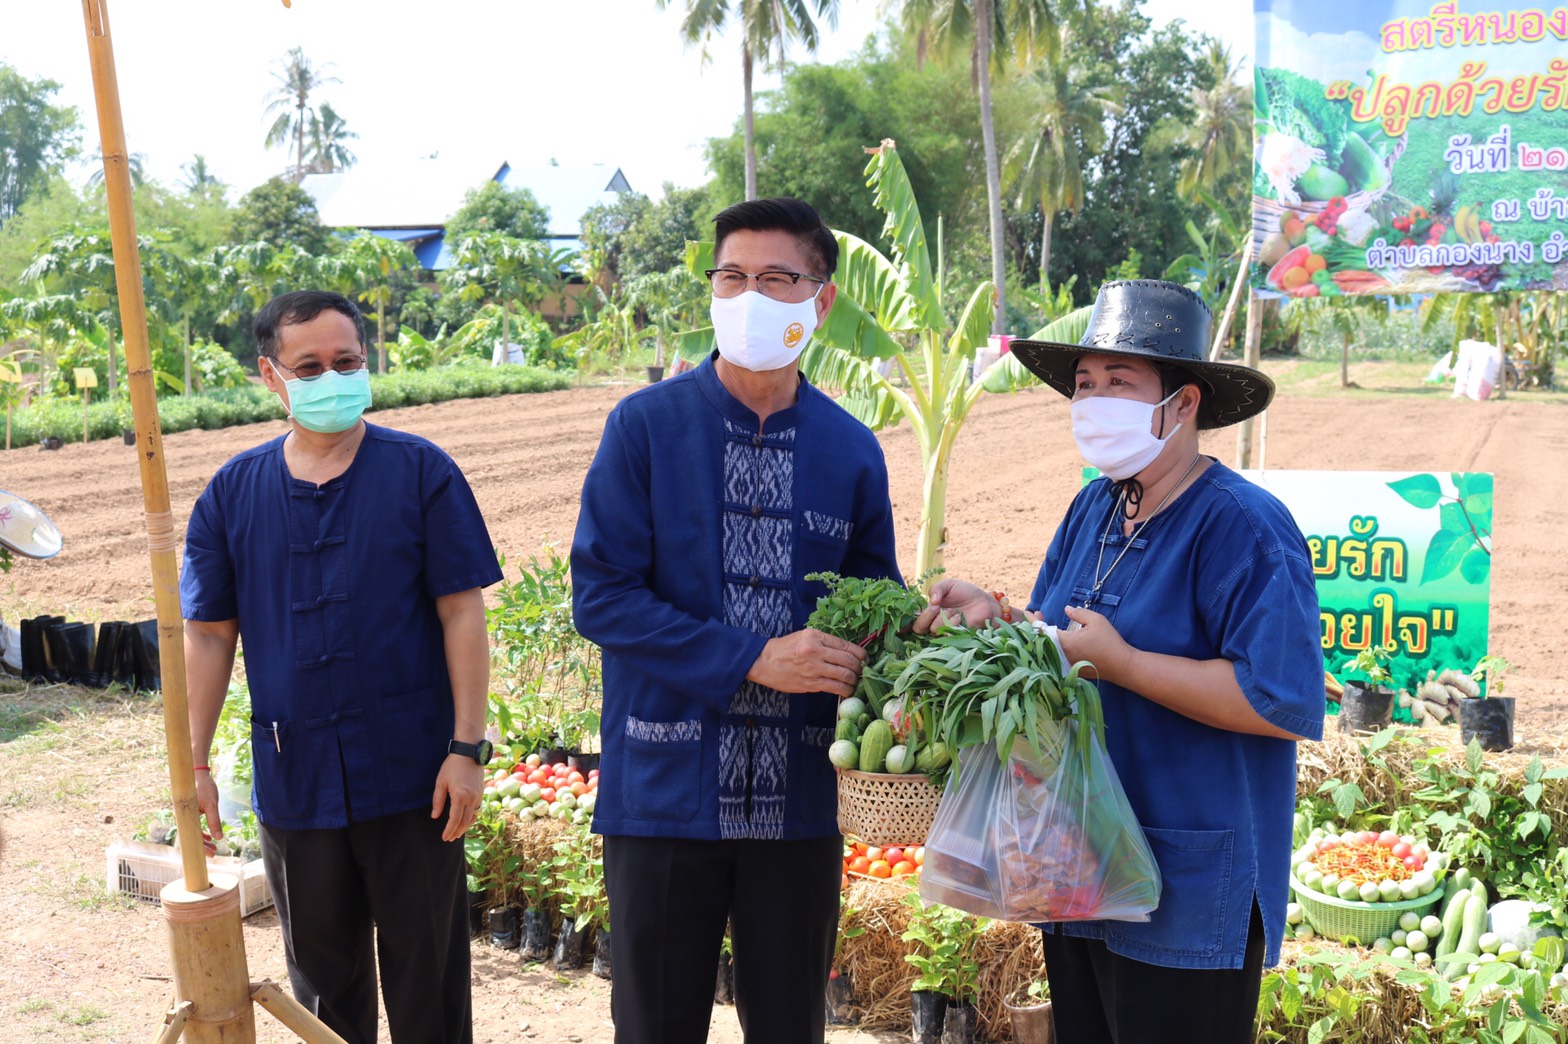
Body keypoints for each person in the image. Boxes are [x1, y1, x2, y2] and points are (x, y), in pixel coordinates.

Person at [914, 279, 1324, 1043]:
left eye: (1120, 383)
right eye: (1085, 384)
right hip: (1079, 869)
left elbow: (1278, 703)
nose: (1094, 400)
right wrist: (996, 615)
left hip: (1189, 889)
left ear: (1185, 402)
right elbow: (1055, 638)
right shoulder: (1094, 507)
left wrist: (1125, 664)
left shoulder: (1244, 528)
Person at [571, 197, 902, 1044]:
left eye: (776, 278)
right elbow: (603, 595)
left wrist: (923, 624)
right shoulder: (645, 428)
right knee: (655, 1025)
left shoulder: (850, 448)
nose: (749, 294)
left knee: (790, 1026)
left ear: (819, 302)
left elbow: (875, 606)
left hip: (796, 801)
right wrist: (751, 657)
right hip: (665, 792)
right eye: (733, 277)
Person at [181, 290, 501, 1044]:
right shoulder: (233, 493)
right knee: (324, 988)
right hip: (298, 780)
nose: (332, 377)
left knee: (430, 983)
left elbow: (463, 613)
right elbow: (208, 635)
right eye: (310, 365)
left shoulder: (422, 474)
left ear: (368, 363)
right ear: (272, 376)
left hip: (415, 777)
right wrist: (192, 764)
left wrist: (467, 750)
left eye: (347, 362)